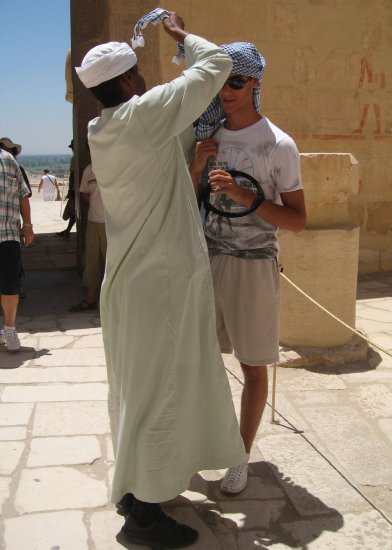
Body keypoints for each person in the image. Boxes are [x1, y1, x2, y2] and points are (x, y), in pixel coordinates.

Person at [75, 12, 246, 549]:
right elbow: (218, 63)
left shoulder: (101, 127)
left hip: (130, 284)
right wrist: (180, 34)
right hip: (160, 284)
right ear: (128, 82)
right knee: (161, 393)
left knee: (135, 390)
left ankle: (134, 488)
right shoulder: (143, 114)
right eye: (139, 74)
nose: (146, 80)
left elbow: (161, 165)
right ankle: (144, 516)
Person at [189, 42, 307, 494]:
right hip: (208, 258)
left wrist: (246, 197)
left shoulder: (279, 145)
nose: (227, 91)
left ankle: (239, 454)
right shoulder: (209, 133)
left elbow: (297, 220)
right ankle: (205, 444)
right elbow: (188, 198)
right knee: (200, 361)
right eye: (220, 82)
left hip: (255, 264)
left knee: (252, 365)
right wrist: (197, 163)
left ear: (256, 83)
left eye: (236, 81)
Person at [0, 148, 34, 351]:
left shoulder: (8, 160)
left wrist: (27, 225)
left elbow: (23, 195)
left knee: (10, 285)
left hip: (8, 234)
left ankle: (10, 329)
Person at [68, 158, 106, 311]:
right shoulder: (89, 169)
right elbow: (85, 193)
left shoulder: (118, 164)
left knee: (114, 262)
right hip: (93, 221)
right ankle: (90, 300)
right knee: (91, 260)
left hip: (114, 224)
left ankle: (116, 301)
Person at [0, 138, 32, 298]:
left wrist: (27, 225)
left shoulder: (15, 167)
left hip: (10, 227)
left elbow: (26, 194)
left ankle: (16, 285)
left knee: (13, 263)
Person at [56, 141, 76, 238]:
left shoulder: (74, 159)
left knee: (74, 212)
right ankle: (68, 230)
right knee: (75, 213)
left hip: (75, 190)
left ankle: (67, 231)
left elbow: (72, 176)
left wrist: (70, 191)